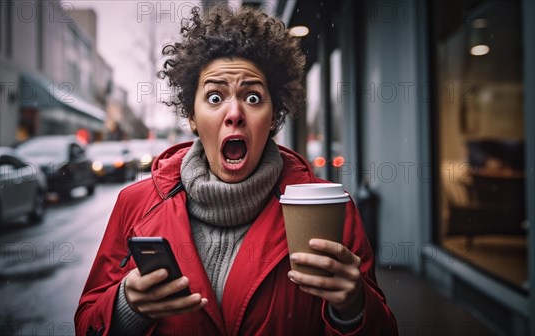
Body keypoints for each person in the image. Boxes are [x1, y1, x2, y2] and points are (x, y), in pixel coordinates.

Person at [75, 5, 398, 336]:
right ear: (191, 116)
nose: (234, 113)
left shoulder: (332, 211)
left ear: (274, 117)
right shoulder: (135, 204)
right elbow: (87, 324)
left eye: (254, 98)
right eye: (215, 97)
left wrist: (353, 308)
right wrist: (126, 306)